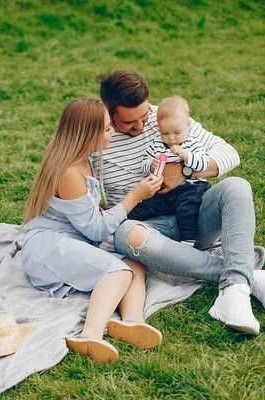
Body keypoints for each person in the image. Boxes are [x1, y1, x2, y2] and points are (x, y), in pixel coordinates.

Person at [92, 69, 265, 335]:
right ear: (108, 110)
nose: (140, 126)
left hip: (194, 213)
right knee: (125, 234)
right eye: (128, 123)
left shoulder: (165, 117)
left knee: (237, 187)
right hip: (149, 229)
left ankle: (234, 293)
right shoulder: (95, 136)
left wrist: (185, 171)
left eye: (143, 115)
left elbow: (229, 154)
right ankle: (244, 278)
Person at [22, 98, 163, 363]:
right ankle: (90, 335)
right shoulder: (69, 172)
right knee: (118, 272)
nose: (113, 133)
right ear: (88, 134)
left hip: (71, 239)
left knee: (134, 263)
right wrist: (135, 196)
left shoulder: (84, 160)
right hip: (47, 247)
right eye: (108, 129)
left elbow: (87, 217)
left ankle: (131, 320)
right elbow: (96, 231)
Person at [128, 95, 211, 243]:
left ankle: (188, 241)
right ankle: (122, 222)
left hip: (191, 188)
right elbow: (144, 164)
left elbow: (203, 164)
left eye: (177, 133)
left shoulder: (192, 144)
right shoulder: (157, 145)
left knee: (187, 211)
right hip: (163, 192)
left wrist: (186, 156)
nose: (171, 138)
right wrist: (151, 165)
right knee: (144, 207)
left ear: (188, 127)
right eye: (165, 133)